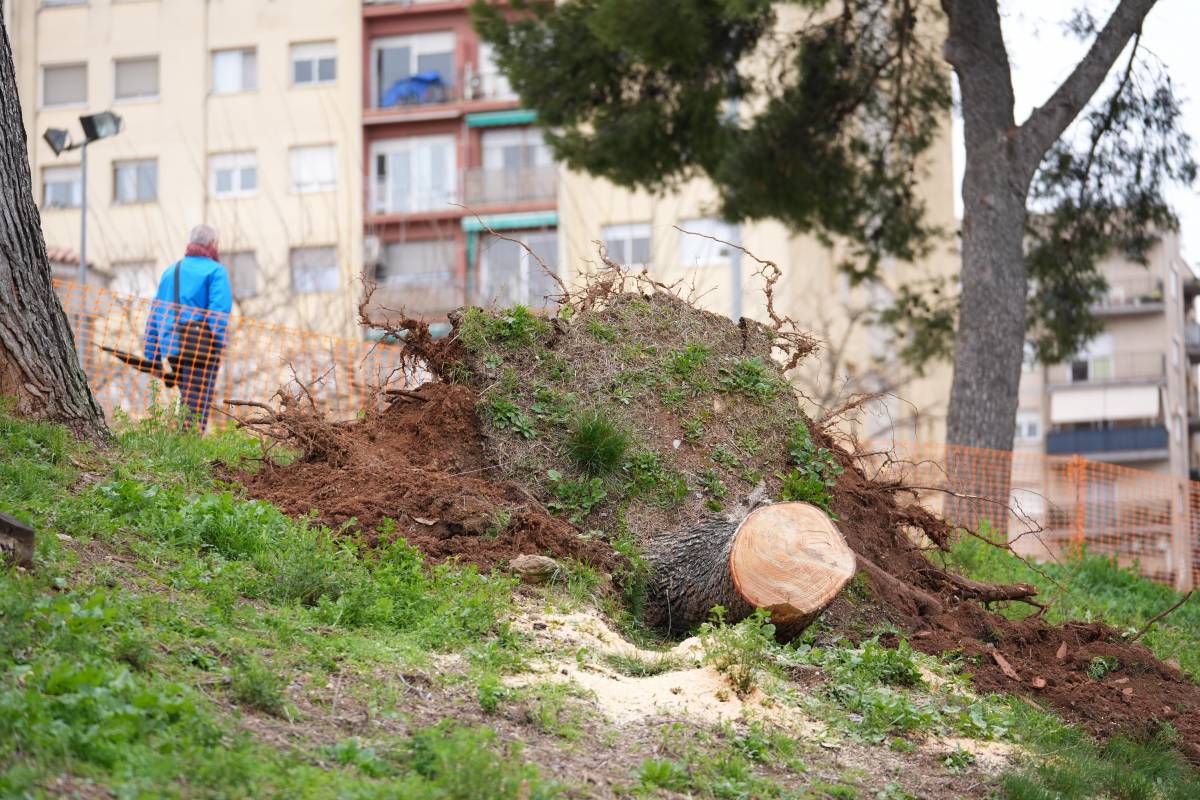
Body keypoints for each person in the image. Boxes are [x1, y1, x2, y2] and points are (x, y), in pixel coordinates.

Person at [143, 224, 233, 431]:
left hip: (172, 349)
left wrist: (152, 356)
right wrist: (219, 345)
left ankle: (182, 444)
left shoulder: (170, 271)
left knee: (189, 401)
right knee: (196, 407)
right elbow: (218, 313)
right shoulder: (215, 271)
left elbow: (155, 315)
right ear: (212, 244)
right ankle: (186, 447)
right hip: (200, 349)